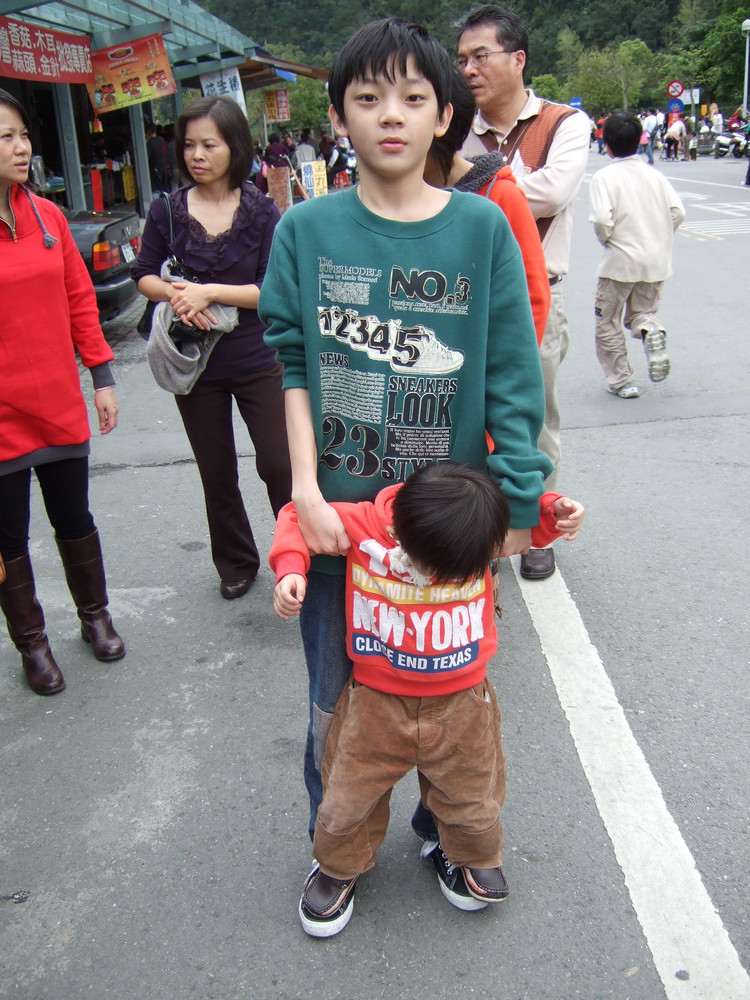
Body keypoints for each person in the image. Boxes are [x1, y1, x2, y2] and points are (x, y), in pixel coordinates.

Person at [258, 18, 552, 843]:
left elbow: (512, 377)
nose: (391, 114)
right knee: (334, 702)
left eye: (413, 98)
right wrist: (305, 493)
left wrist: (519, 504)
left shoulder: (481, 228)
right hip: (337, 528)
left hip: (445, 528)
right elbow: (293, 367)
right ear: (338, 116)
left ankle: (443, 832)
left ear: (443, 115)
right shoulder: (304, 231)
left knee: (447, 697)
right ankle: (336, 844)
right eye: (368, 98)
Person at [270, 461, 585, 936]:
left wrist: (552, 511)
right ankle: (339, 864)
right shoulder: (369, 525)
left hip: (463, 703)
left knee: (471, 790)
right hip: (376, 703)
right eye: (431, 567)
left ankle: (466, 854)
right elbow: (297, 516)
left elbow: (527, 527)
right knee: (349, 792)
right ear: (401, 533)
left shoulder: (475, 532)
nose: (438, 578)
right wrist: (290, 568)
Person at [131, 96, 291, 599]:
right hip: (194, 362)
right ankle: (237, 562)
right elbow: (143, 275)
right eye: (189, 145)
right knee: (216, 470)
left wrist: (209, 292)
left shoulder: (262, 212)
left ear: (235, 147)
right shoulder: (167, 211)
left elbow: (272, 290)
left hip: (257, 357)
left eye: (209, 145)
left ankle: (298, 555)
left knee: (281, 463)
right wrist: (176, 294)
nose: (196, 155)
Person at [456, 4, 590, 581]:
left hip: (540, 293)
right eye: (461, 59)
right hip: (463, 297)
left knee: (534, 418)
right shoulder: (456, 123)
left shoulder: (563, 123)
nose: (469, 69)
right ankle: (477, 522)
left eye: (480, 56)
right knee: (468, 421)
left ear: (518, 59)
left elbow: (554, 192)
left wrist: (482, 182)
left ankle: (537, 521)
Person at [0, 89, 124, 695]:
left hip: (57, 402)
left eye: (23, 134)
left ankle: (94, 617)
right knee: (8, 539)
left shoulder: (48, 219)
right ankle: (32, 643)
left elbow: (80, 302)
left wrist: (101, 377)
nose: (21, 146)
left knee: (74, 518)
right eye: (6, 137)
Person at [424, 66, 549, 344]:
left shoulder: (501, 195)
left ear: (444, 122)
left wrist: (509, 366)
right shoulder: (399, 197)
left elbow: (532, 299)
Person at [589, 113, 686, 399]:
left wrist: (608, 239)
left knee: (607, 320)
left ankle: (622, 380)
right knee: (643, 313)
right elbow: (678, 212)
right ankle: (651, 330)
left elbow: (602, 220)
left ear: (607, 144)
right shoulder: (655, 176)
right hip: (655, 261)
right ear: (639, 140)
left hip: (619, 263)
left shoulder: (604, 177)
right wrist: (660, 236)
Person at [145, 122, 169, 193]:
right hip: (164, 166)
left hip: (156, 168)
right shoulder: (161, 139)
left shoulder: (149, 143)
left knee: (159, 188)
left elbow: (147, 157)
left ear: (148, 132)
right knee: (165, 186)